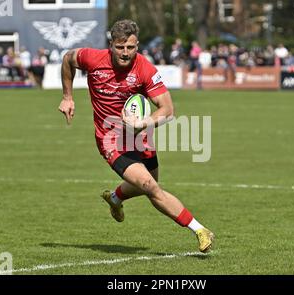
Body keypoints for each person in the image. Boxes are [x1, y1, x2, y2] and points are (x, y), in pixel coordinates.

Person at [58, 19, 214, 253]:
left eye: (130, 47)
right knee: (150, 186)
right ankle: (200, 230)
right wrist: (68, 96)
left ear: (137, 45)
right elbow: (68, 59)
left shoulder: (144, 69)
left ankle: (115, 197)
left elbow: (168, 110)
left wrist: (143, 123)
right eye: (120, 47)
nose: (125, 53)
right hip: (110, 140)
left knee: (148, 185)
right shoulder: (91, 58)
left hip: (140, 136)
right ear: (111, 45)